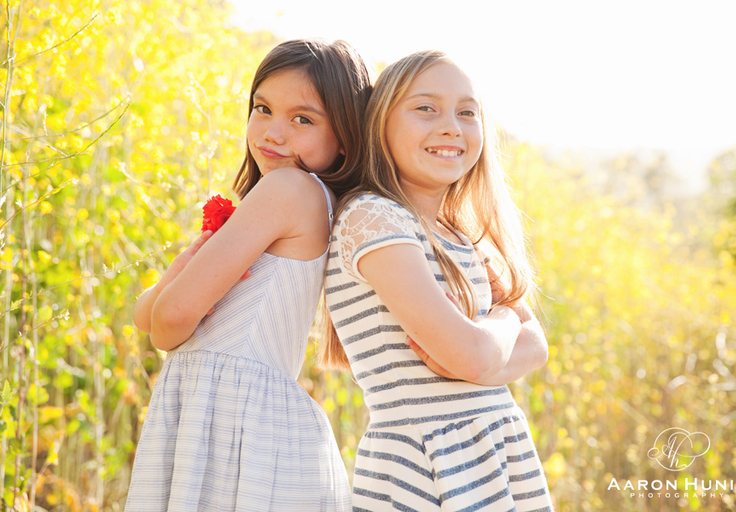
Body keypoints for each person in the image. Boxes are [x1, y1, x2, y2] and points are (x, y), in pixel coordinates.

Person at [125, 39, 371, 512]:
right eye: (263, 108)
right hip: (246, 423)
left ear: (345, 137)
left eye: (303, 119)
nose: (273, 133)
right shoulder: (311, 201)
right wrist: (182, 271)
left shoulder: (288, 188)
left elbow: (166, 324)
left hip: (233, 423)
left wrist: (177, 297)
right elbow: (146, 316)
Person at [321, 50, 553, 511]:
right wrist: (503, 323)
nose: (451, 127)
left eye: (467, 112)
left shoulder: (459, 233)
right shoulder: (374, 218)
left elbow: (537, 347)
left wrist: (482, 351)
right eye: (425, 108)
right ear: (380, 124)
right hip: (428, 461)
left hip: (492, 451)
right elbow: (475, 356)